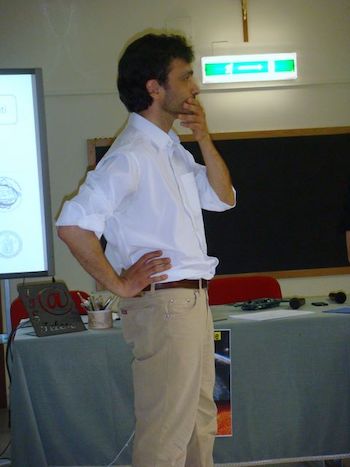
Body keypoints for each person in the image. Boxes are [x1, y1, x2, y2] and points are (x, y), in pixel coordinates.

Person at [56, 32, 235, 467]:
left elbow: (223, 196)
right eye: (186, 76)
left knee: (199, 426)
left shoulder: (171, 150)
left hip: (190, 301)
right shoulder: (131, 155)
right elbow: (72, 224)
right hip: (167, 306)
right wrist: (121, 283)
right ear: (155, 87)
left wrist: (204, 138)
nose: (195, 87)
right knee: (166, 436)